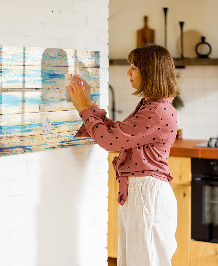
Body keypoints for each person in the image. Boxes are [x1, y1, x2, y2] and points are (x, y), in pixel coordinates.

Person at [67, 44, 179, 266]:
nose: (128, 72)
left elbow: (110, 141)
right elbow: (118, 133)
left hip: (147, 195)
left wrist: (82, 108)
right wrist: (89, 104)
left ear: (150, 72)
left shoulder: (156, 111)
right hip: (142, 193)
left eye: (134, 67)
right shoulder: (152, 106)